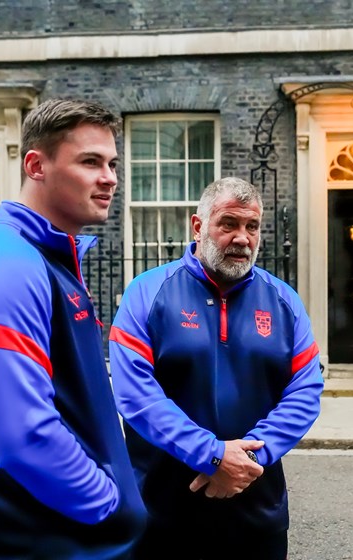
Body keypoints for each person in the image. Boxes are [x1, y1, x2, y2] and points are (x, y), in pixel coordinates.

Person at [0, 98, 146, 559]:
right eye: (90, 162)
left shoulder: (46, 259)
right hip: (37, 545)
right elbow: (24, 439)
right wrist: (111, 508)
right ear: (36, 165)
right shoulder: (6, 265)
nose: (110, 177)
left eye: (112, 163)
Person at [108, 176, 324, 560]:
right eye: (229, 224)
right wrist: (211, 454)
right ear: (198, 226)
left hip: (257, 510)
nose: (242, 238)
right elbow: (136, 394)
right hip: (163, 512)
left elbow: (305, 392)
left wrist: (249, 459)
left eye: (252, 226)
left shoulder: (284, 301)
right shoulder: (147, 292)